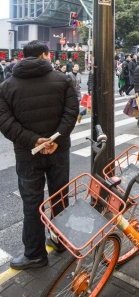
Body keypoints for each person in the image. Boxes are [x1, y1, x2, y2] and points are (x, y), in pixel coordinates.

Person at [0, 40, 79, 269]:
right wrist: (57, 138)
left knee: (32, 203)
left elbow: (5, 122)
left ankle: (34, 254)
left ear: (23, 56)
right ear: (45, 55)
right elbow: (71, 112)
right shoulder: (62, 80)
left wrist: (33, 140)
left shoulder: (7, 86)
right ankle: (61, 240)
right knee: (60, 196)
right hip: (59, 150)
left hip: (27, 153)